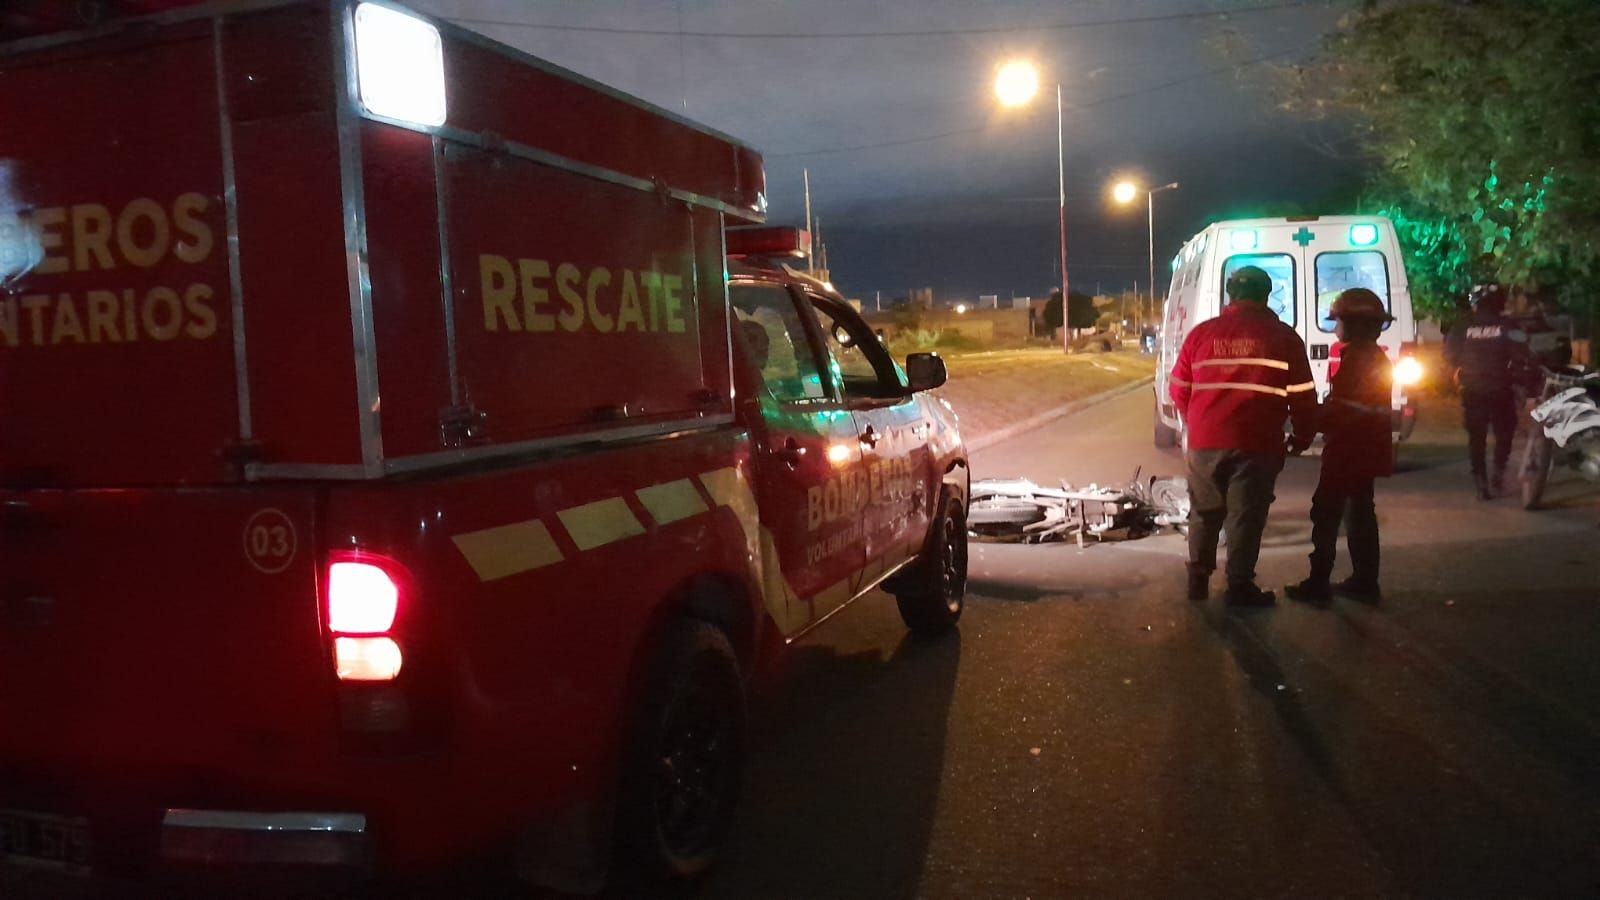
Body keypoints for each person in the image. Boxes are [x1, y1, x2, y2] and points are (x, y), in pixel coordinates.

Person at [1170, 265, 1318, 606]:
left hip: (1205, 442)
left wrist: (1198, 419)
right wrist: (1303, 436)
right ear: (1266, 295)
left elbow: (1178, 389)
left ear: (1230, 295)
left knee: (1204, 510)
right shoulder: (1283, 337)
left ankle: (1198, 580)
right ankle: (1238, 586)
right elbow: (1302, 395)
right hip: (1257, 443)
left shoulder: (1201, 335)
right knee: (1246, 515)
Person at [1285, 289, 1394, 604]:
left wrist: (1304, 426)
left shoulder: (1359, 360)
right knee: (1360, 513)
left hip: (1349, 449)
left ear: (1355, 324)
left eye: (1339, 320)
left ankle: (1318, 584)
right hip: (1364, 447)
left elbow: (1342, 410)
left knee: (1327, 512)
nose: (1335, 327)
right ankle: (1364, 581)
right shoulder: (1370, 356)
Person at [1444, 283, 1525, 499]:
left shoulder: (1462, 325)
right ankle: (1498, 472)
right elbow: (1522, 352)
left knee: (1476, 437)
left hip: (1473, 389)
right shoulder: (1508, 325)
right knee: (1505, 433)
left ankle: (1481, 482)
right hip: (1502, 388)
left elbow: (1450, 354)